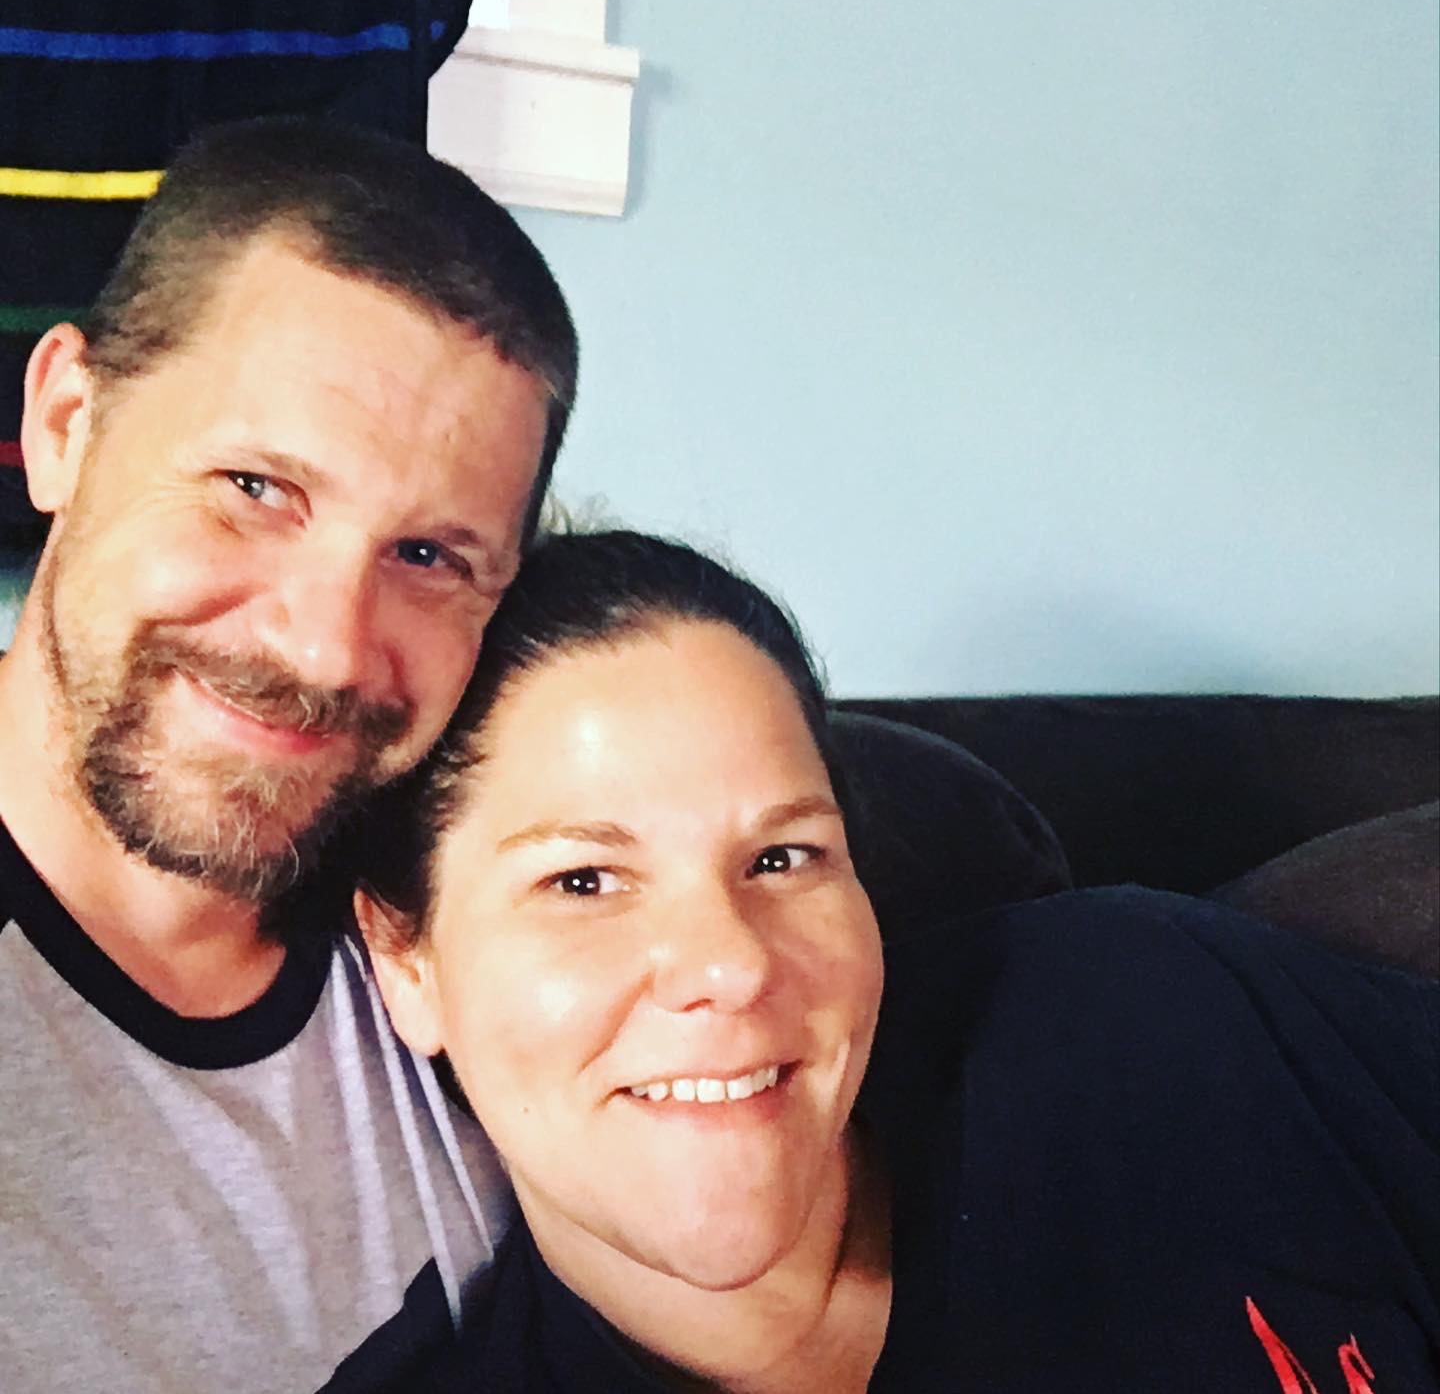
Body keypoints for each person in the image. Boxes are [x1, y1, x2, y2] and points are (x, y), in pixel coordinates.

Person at [339, 530, 1438, 1393]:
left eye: (782, 856)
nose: (730, 963)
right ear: (406, 956)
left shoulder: (1150, 1011)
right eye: (583, 879)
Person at [0, 117, 577, 1392]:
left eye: (427, 556)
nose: (327, 647)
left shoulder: (482, 913)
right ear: (65, 424)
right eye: (256, 487)